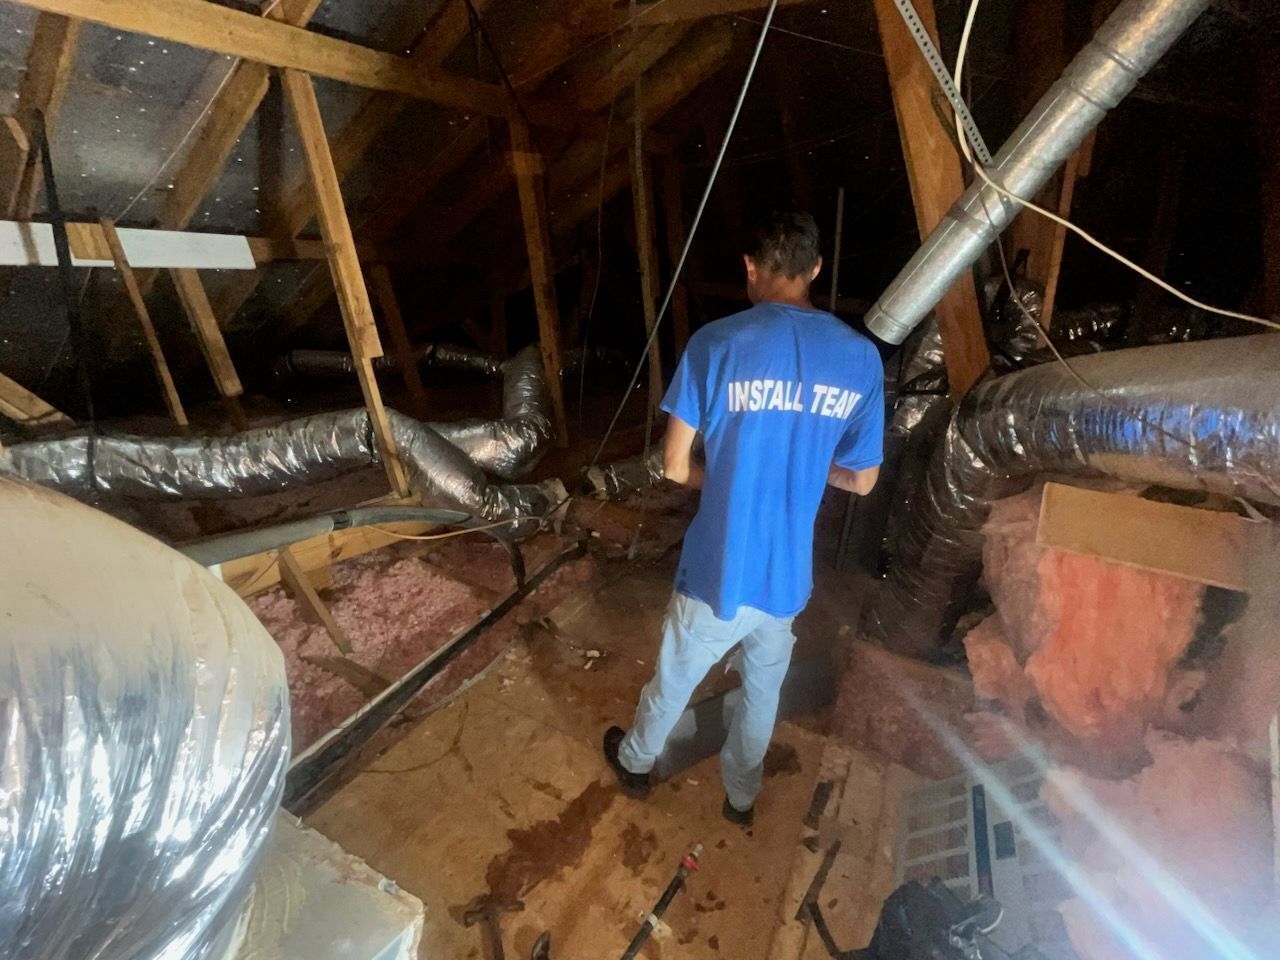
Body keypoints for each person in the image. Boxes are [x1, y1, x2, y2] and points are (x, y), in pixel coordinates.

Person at [603, 208, 884, 827]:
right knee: (762, 691)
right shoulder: (861, 360)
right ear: (814, 268)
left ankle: (636, 762)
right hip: (786, 580)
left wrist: (723, 478)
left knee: (676, 676)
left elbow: (674, 466)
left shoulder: (717, 344)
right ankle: (741, 798)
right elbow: (862, 479)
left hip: (718, 568)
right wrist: (812, 474)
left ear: (751, 269)